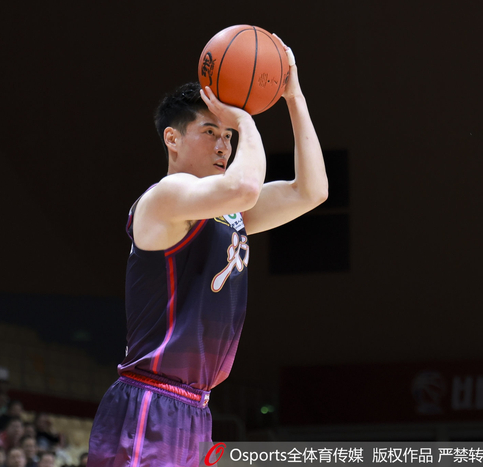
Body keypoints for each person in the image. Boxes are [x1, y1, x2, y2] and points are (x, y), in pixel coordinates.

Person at [87, 36, 327, 466]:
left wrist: (294, 97)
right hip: (149, 400)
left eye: (228, 136)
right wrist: (244, 119)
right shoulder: (165, 196)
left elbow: (311, 191)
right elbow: (246, 186)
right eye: (211, 132)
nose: (224, 145)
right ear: (172, 139)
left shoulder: (230, 212)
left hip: (196, 408)